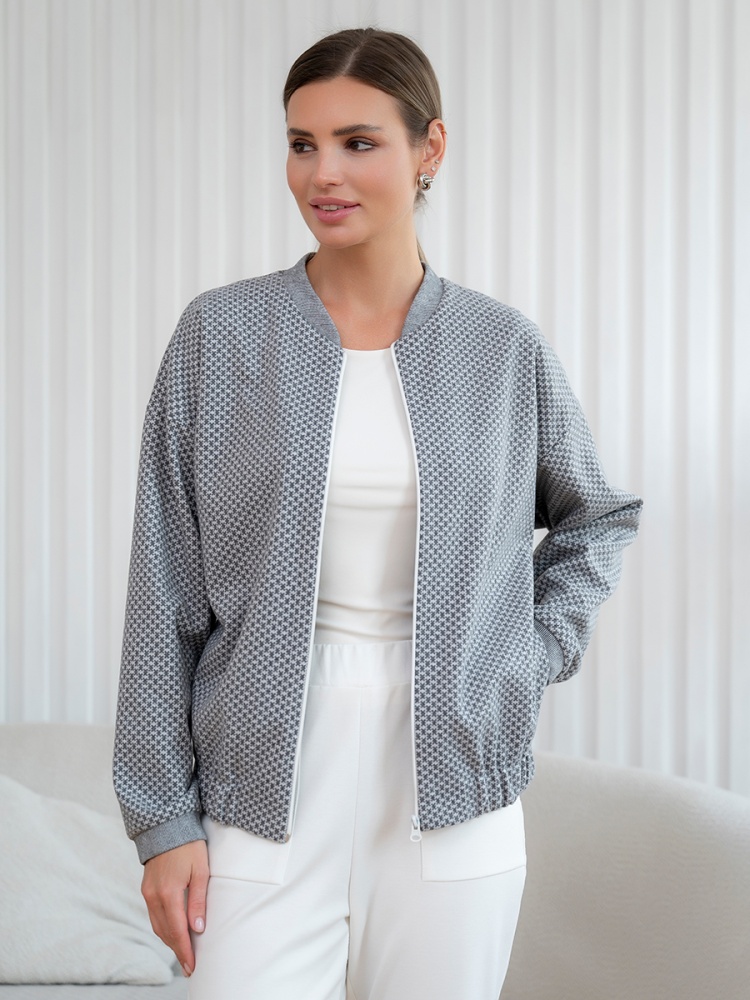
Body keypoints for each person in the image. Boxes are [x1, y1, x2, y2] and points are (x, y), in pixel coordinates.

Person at [112, 25, 643, 1000]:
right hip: (260, 793)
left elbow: (595, 518)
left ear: (429, 147)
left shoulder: (499, 348)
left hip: (454, 795)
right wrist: (162, 821)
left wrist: (526, 655)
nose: (323, 172)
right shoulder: (220, 336)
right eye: (302, 143)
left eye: (358, 142)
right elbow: (163, 587)